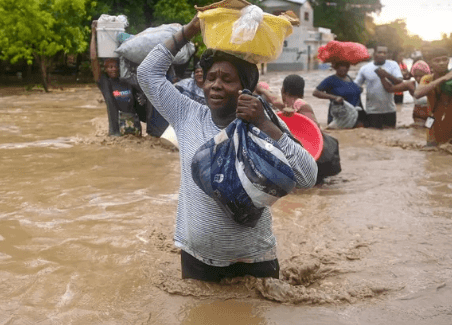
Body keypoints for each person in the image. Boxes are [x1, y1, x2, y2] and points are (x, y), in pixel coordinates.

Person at [136, 15, 317, 282]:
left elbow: (308, 177)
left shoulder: (264, 119)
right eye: (211, 78)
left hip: (255, 261)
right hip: (198, 261)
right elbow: (147, 73)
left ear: (245, 87)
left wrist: (264, 123)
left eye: (227, 79)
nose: (216, 85)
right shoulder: (187, 114)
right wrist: (189, 31)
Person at [90, 21, 145, 136]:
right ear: (105, 69)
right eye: (110, 67)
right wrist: (94, 34)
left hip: (135, 134)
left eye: (116, 66)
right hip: (115, 135)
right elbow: (93, 59)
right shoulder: (105, 83)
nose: (113, 69)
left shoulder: (129, 80)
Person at [354, 47, 403, 129]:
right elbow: (355, 86)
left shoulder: (393, 65)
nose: (382, 55)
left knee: (390, 135)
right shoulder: (365, 68)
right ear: (374, 54)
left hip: (389, 110)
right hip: (372, 111)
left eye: (385, 53)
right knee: (373, 135)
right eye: (379, 52)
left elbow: (399, 81)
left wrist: (386, 75)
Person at [377, 60, 432, 127]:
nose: (418, 78)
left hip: (432, 115)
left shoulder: (433, 84)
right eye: (416, 76)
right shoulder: (411, 85)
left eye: (421, 76)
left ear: (427, 74)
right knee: (418, 133)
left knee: (428, 133)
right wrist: (382, 77)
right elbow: (390, 89)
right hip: (419, 115)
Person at [313, 61, 365, 127]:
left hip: (355, 116)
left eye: (346, 66)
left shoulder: (350, 79)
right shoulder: (330, 80)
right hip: (339, 117)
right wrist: (334, 97)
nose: (344, 68)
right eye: (341, 66)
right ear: (336, 67)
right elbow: (316, 92)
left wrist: (359, 90)